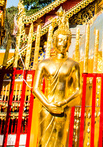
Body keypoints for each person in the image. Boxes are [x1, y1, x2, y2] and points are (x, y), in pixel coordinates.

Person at [32, 15, 82, 147]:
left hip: (63, 109)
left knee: (61, 142)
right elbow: (35, 88)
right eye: (59, 40)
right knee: (43, 142)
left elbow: (78, 90)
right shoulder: (44, 63)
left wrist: (64, 103)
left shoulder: (73, 65)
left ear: (69, 43)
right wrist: (48, 104)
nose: (63, 44)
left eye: (66, 41)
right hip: (47, 107)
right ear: (54, 42)